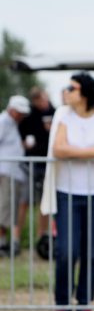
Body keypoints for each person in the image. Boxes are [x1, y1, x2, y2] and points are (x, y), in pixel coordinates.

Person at [40, 74, 94, 311]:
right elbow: (59, 149)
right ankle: (62, 304)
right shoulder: (62, 115)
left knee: (92, 253)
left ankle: (85, 305)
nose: (67, 91)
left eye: (72, 87)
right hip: (66, 193)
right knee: (66, 250)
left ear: (85, 91)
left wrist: (75, 154)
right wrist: (91, 153)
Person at [13, 88, 56, 254]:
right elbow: (20, 135)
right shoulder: (28, 115)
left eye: (44, 99)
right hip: (30, 164)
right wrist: (24, 143)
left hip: (48, 163)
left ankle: (42, 239)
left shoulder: (54, 112)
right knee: (24, 201)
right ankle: (16, 238)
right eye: (39, 101)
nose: (43, 103)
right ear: (35, 101)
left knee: (44, 204)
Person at [0, 95, 30, 256]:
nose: (22, 116)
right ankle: (2, 244)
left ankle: (8, 243)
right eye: (20, 112)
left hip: (15, 173)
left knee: (11, 208)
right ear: (12, 110)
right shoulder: (3, 121)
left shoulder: (13, 124)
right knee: (4, 207)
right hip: (6, 172)